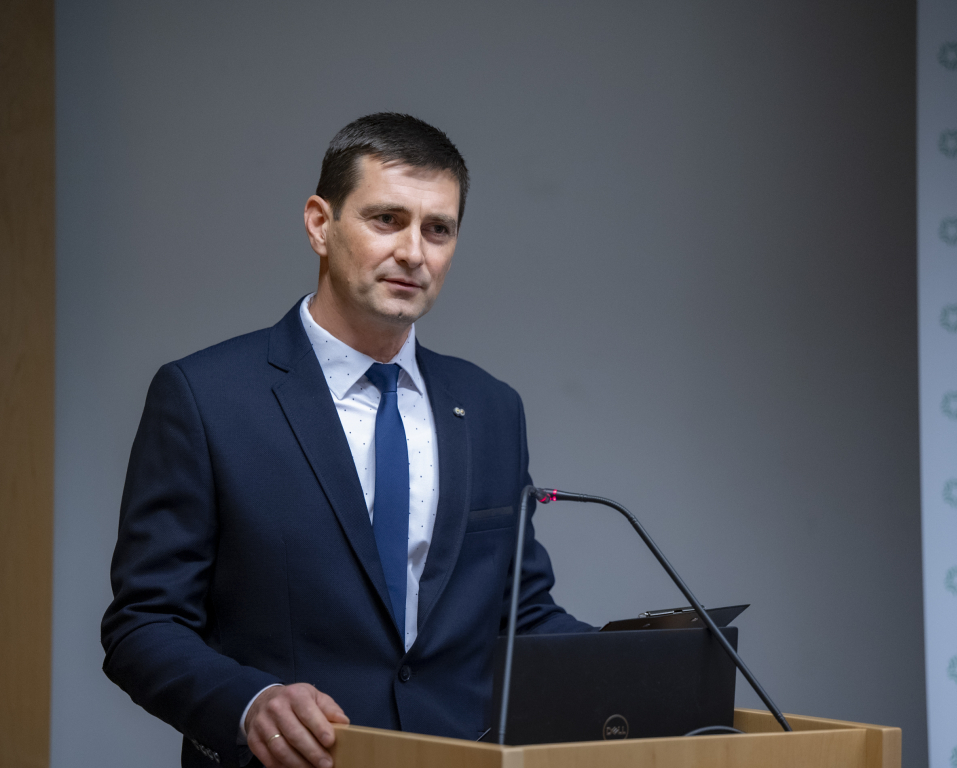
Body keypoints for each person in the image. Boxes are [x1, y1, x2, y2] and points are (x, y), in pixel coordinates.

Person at [101, 113, 591, 768]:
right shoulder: (205, 397)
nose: (413, 252)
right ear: (319, 225)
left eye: (438, 229)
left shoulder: (491, 407)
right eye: (387, 219)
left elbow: (521, 615)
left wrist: (661, 666)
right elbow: (143, 624)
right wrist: (250, 703)